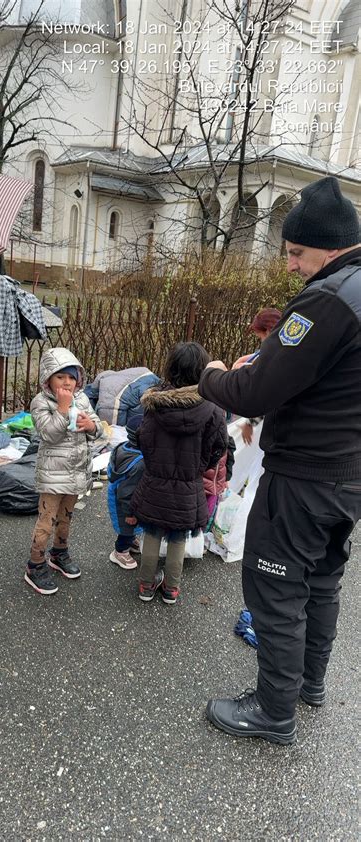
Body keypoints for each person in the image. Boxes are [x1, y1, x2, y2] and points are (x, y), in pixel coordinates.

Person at [198, 176, 361, 745]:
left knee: (277, 588)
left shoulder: (328, 299)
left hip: (305, 476)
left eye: (295, 252)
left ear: (328, 246)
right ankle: (308, 685)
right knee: (321, 583)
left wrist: (215, 373)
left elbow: (254, 396)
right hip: (349, 474)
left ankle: (273, 710)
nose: (290, 265)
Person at [131, 341, 228, 605]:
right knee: (178, 537)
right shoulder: (212, 407)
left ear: (170, 368)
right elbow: (219, 445)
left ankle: (145, 584)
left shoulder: (155, 404)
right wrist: (197, 468)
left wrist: (156, 467)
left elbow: (144, 439)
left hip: (156, 481)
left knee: (152, 533)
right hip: (189, 484)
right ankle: (171, 588)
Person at [24, 348, 105, 595]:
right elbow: (48, 433)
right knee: (46, 521)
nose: (67, 382)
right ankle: (35, 564)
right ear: (48, 379)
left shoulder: (82, 399)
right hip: (52, 475)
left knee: (66, 518)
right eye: (60, 377)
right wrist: (62, 408)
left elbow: (99, 429)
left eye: (71, 377)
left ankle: (59, 552)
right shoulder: (40, 402)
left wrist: (92, 426)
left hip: (76, 472)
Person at [234, 308, 282, 446]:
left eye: (260, 337)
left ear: (268, 331)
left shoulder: (275, 359)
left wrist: (250, 424)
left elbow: (271, 396)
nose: (261, 341)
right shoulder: (285, 347)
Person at [107, 414, 145, 570]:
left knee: (129, 527)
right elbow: (128, 492)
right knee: (127, 526)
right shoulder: (140, 463)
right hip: (125, 503)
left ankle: (130, 540)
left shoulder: (122, 447)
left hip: (115, 493)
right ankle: (120, 551)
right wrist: (130, 513)